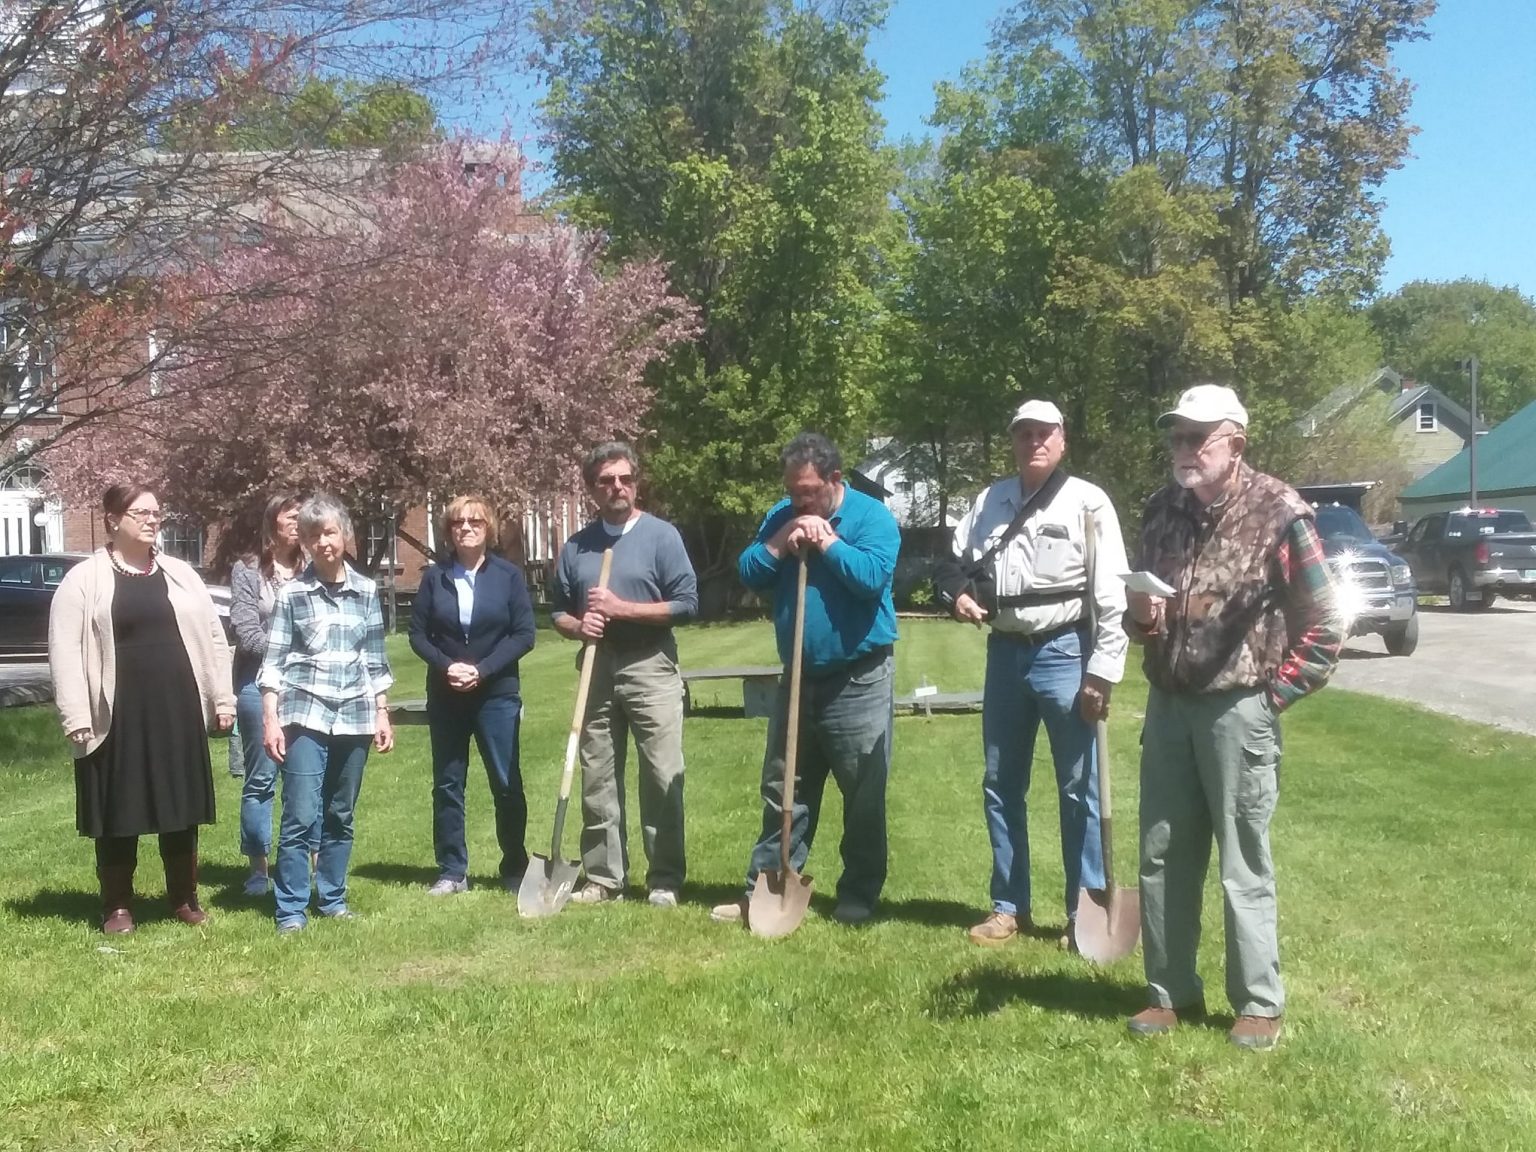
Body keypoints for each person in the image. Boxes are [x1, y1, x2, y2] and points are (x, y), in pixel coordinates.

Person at [1124, 384, 1342, 1050]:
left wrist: (1271, 699)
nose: (1183, 450)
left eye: (1198, 437)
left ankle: (1258, 1003)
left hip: (1239, 705)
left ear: (1235, 444)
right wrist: (1141, 620)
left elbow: (1326, 621)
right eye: (1176, 438)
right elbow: (1143, 616)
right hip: (1168, 704)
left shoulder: (1279, 512)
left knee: (1242, 861)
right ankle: (1169, 993)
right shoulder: (1161, 511)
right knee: (1162, 854)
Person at [942, 400, 1130, 951]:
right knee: (1000, 783)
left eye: (1044, 433)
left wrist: (1103, 670)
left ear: (1062, 439)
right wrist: (954, 593)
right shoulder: (988, 501)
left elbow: (1111, 597)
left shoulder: (1089, 503)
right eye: (1024, 434)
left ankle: (1085, 914)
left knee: (1080, 788)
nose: (1034, 443)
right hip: (1005, 651)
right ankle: (1008, 907)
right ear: (1014, 441)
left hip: (1067, 649)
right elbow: (951, 561)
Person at [712, 431, 901, 927]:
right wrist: (781, 540)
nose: (800, 501)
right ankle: (767, 885)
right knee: (783, 788)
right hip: (798, 675)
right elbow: (750, 571)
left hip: (858, 677)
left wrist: (828, 542)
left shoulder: (872, 517)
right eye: (794, 491)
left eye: (809, 493)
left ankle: (859, 891)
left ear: (835, 481)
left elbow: (870, 578)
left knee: (862, 789)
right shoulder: (782, 515)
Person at [48, 483, 235, 933]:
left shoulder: (180, 574)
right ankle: (116, 906)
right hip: (116, 712)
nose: (152, 520)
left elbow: (213, 637)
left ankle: (184, 898)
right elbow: (65, 650)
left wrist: (221, 699)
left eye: (156, 513)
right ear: (113, 519)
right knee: (119, 808)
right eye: (141, 513)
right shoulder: (84, 580)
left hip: (177, 706)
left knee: (180, 804)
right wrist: (75, 715)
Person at [551, 442, 698, 907]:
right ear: (592, 488)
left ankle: (665, 878)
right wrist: (579, 625)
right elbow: (557, 610)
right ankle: (604, 878)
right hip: (596, 664)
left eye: (625, 478)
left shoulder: (661, 536)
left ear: (636, 481)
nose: (617, 487)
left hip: (650, 665)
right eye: (606, 480)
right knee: (597, 774)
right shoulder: (578, 545)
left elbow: (687, 605)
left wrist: (622, 609)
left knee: (661, 772)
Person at [259, 493, 395, 934]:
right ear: (304, 542)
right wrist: (270, 718)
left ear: (345, 535)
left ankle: (332, 898)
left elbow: (375, 659)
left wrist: (382, 713)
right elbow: (274, 661)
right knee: (299, 813)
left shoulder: (367, 592)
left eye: (330, 532)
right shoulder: (293, 595)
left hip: (355, 714)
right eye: (313, 535)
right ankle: (292, 910)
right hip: (305, 715)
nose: (323, 543)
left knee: (340, 813)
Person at [409, 495, 537, 895]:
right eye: (458, 522)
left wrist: (482, 670)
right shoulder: (435, 578)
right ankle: (452, 870)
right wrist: (448, 666)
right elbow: (417, 635)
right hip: (447, 695)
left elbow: (524, 635)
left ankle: (515, 864)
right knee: (448, 783)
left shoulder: (508, 576)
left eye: (475, 522)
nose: (466, 527)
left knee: (505, 780)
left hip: (496, 693)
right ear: (448, 531)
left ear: (489, 528)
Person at [229, 493, 304, 897]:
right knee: (261, 780)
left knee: (307, 777)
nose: (298, 523)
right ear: (273, 522)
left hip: (309, 688)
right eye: (291, 517)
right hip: (258, 685)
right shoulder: (248, 570)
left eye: (302, 517)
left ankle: (305, 863)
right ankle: (259, 870)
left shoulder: (314, 568)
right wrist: (291, 654)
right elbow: (245, 630)